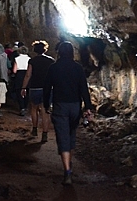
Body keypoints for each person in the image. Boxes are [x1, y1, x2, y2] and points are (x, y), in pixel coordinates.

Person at [44, 41, 94, 186]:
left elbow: (47, 88)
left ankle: (67, 172)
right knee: (71, 134)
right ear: (72, 52)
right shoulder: (77, 68)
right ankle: (69, 163)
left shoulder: (53, 68)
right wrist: (88, 107)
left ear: (59, 52)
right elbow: (84, 88)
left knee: (62, 137)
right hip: (75, 106)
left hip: (60, 106)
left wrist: (47, 104)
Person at [20, 40, 54, 142]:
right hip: (47, 88)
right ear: (45, 49)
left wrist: (23, 87)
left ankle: (34, 129)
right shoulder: (51, 60)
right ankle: (44, 134)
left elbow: (28, 75)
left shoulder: (32, 61)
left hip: (35, 87)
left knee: (34, 109)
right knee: (45, 111)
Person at [12, 45, 30, 115]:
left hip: (19, 75)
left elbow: (14, 70)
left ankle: (22, 108)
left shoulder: (17, 59)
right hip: (27, 74)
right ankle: (26, 106)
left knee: (19, 91)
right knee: (27, 91)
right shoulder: (29, 59)